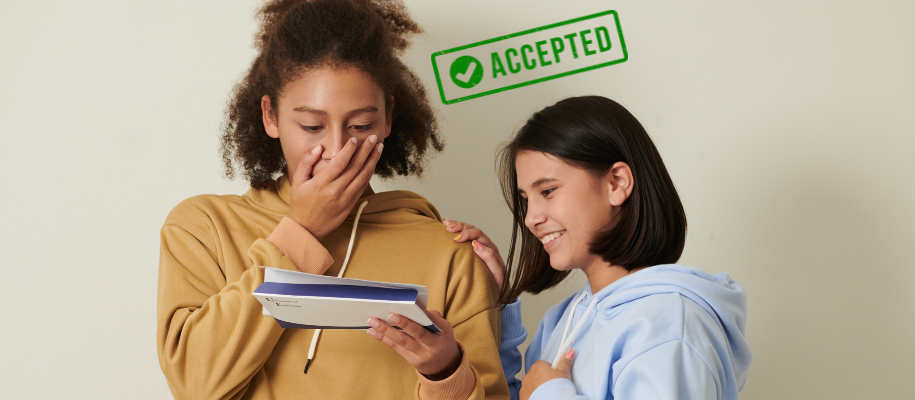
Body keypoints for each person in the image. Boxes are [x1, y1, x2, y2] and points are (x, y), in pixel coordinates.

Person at [155, 1, 508, 399]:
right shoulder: (204, 229)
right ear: (270, 116)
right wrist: (300, 233)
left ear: (388, 117)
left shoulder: (447, 251)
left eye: (361, 125)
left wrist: (445, 372)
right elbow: (195, 387)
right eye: (311, 126)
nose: (338, 148)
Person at [445, 96, 753, 399]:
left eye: (548, 191)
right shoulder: (563, 320)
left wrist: (549, 394)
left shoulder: (669, 325)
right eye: (526, 199)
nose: (531, 219)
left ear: (617, 183)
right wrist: (500, 303)